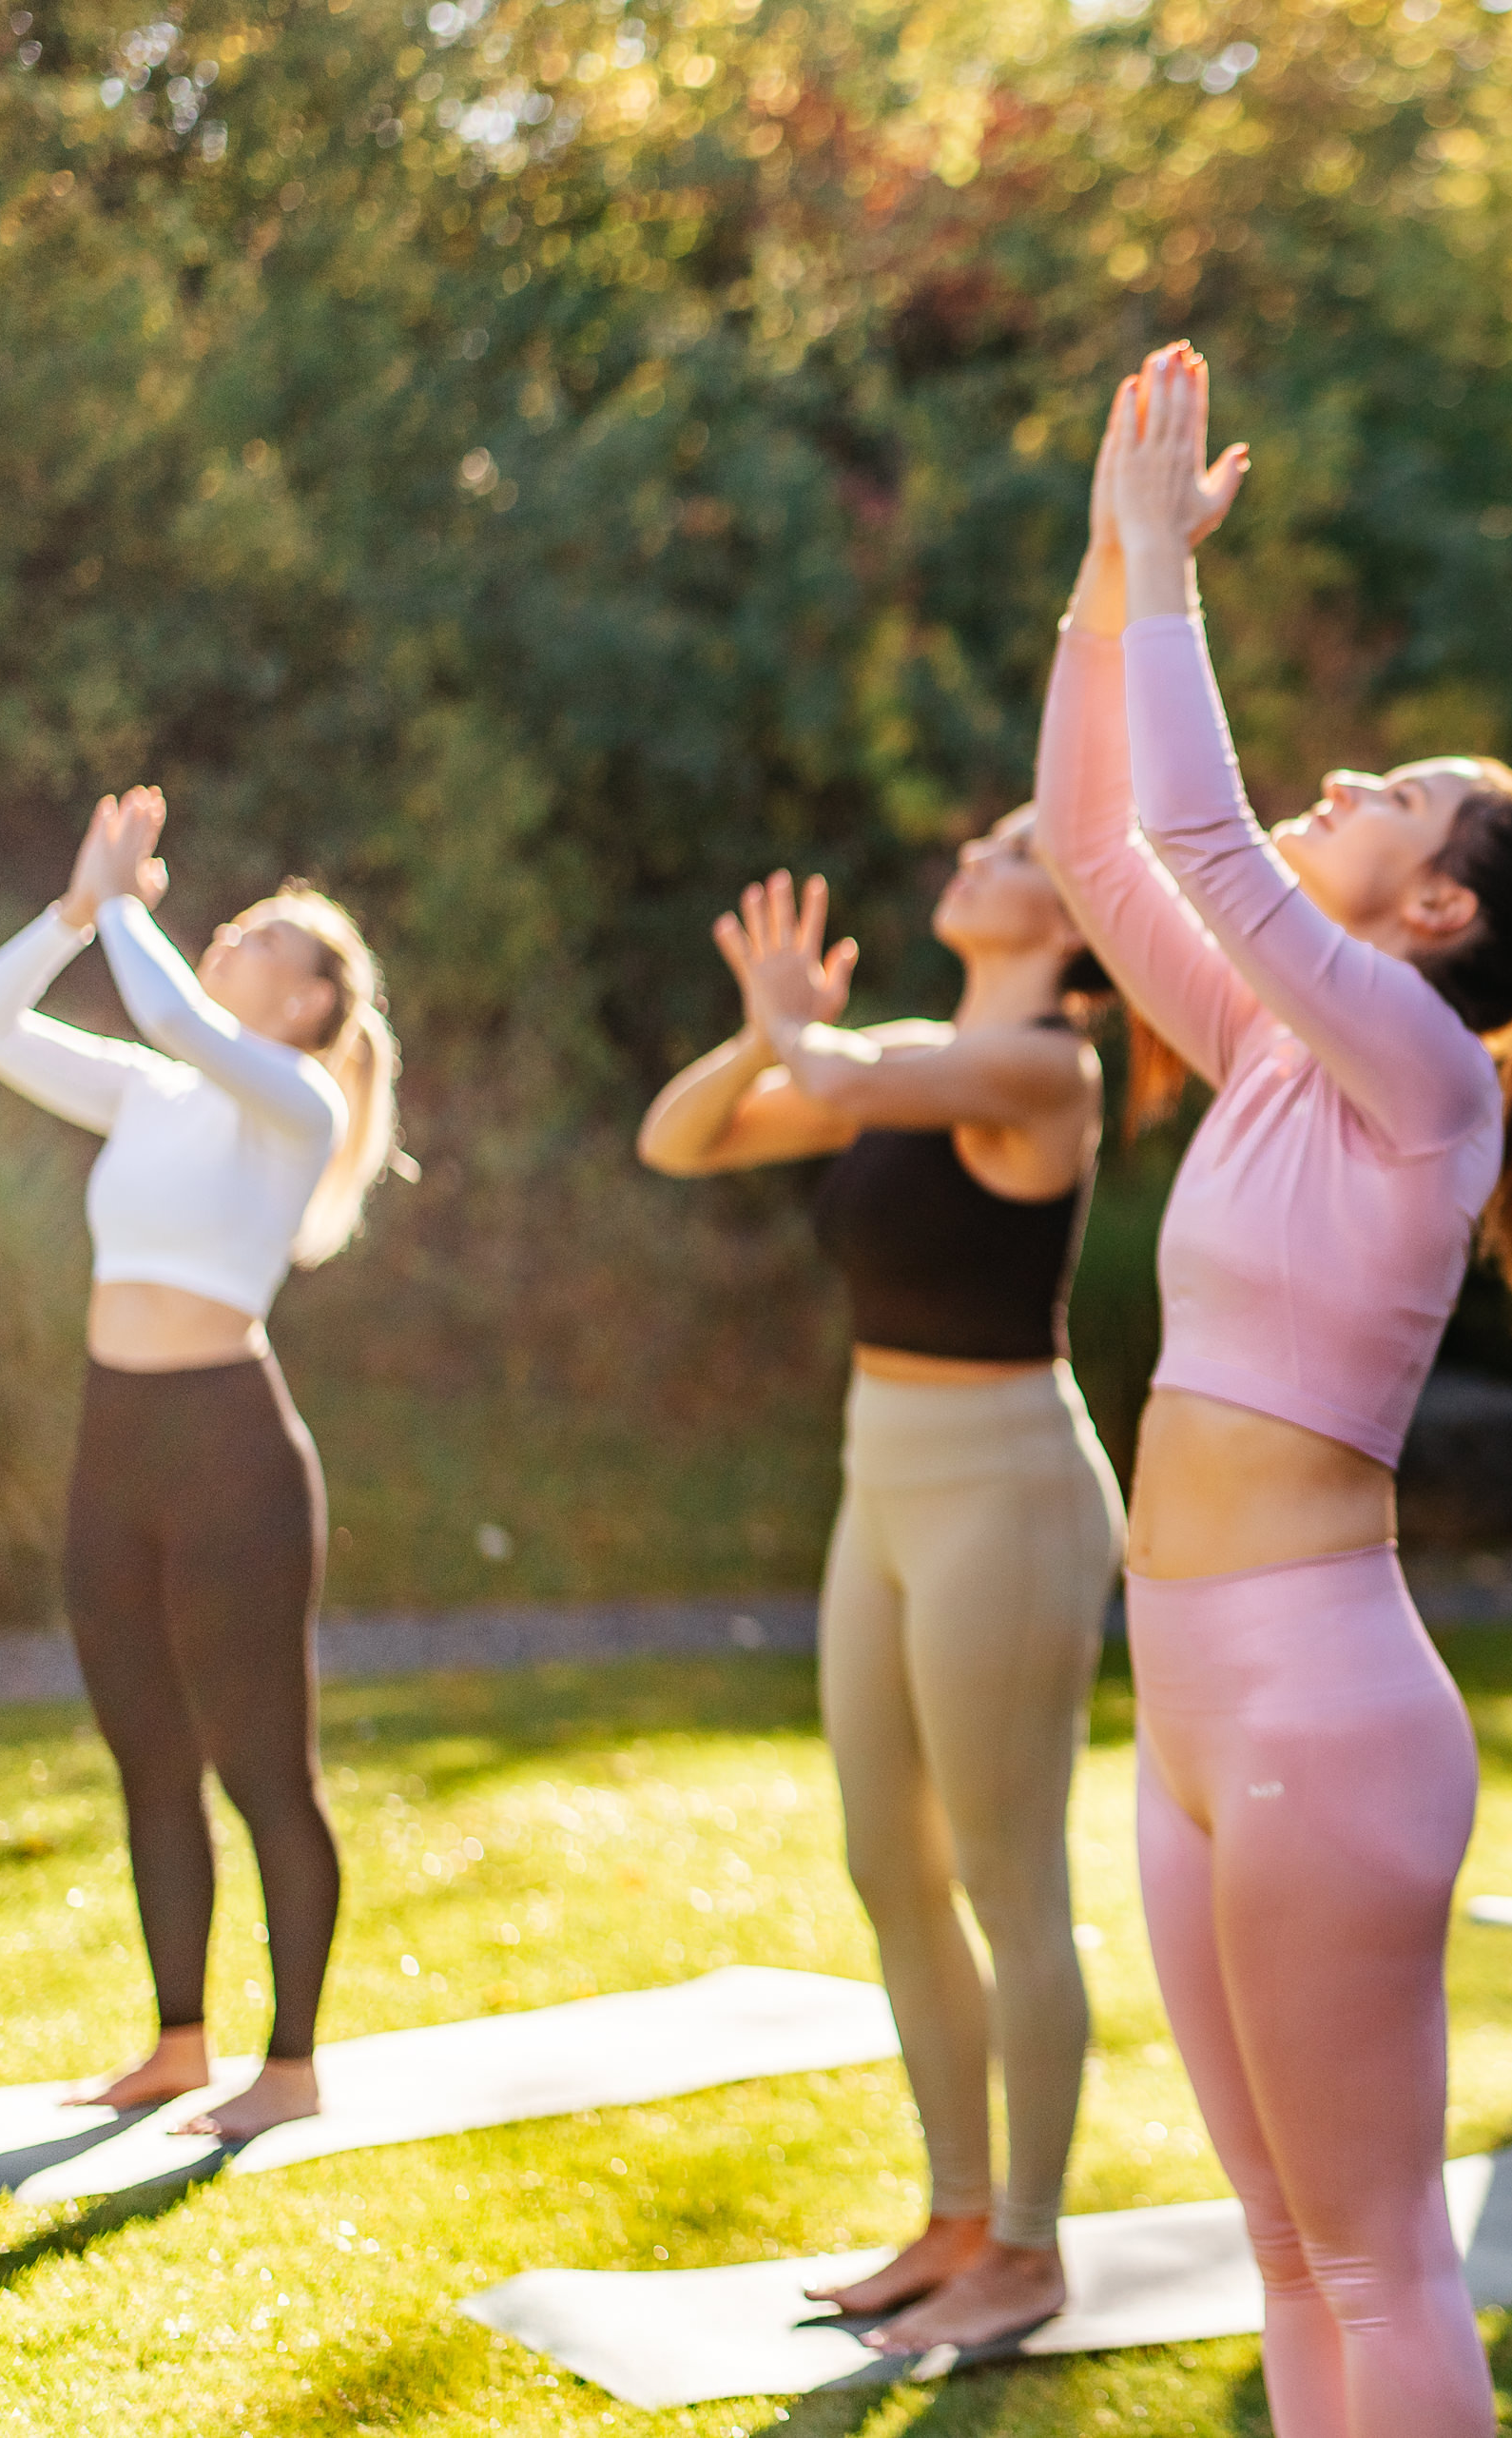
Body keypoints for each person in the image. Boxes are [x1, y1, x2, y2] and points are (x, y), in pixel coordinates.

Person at [1037, 345, 1512, 2438]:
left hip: (1321, 1709)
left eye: (1385, 798)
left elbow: (1201, 833)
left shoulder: (1421, 1070)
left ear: (1439, 908)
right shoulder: (1278, 1055)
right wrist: (1105, 576)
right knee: (1285, 2241)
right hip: (1196, 1702)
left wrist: (1165, 566)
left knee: (1376, 2248)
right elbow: (1098, 845)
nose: (1341, 787)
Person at [636, 813, 1156, 2354]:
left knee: (1009, 1875)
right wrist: (762, 1037)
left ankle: (1029, 2250)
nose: (976, 857)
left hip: (1008, 1491)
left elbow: (857, 1083)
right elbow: (681, 1140)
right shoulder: (912, 1055)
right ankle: (953, 2216)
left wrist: (804, 1032)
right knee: (887, 1861)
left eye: (1015, 851)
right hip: (883, 1481)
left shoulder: (1047, 1071)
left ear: (1071, 919)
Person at [0, 787, 403, 2140]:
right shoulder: (155, 1092)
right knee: (148, 1755)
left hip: (230, 1453)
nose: (233, 933)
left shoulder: (293, 1100)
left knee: (263, 1768)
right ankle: (178, 2045)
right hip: (116, 1443)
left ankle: (292, 2068)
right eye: (237, 922)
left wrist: (120, 904)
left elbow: (172, 1014)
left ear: (310, 1003)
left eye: (267, 936)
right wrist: (71, 913)